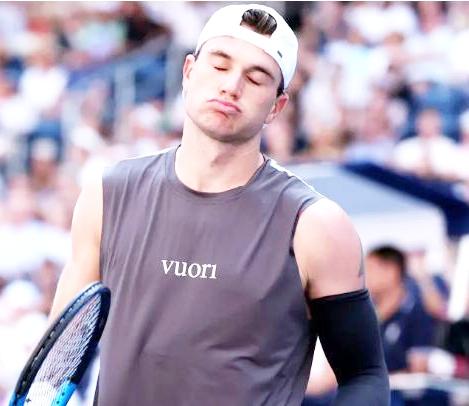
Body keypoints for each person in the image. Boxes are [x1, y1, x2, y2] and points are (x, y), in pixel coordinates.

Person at [49, 4, 389, 405]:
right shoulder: (108, 195)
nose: (232, 86)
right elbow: (56, 363)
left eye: (256, 78)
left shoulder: (315, 225)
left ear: (277, 106)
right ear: (188, 71)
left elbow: (365, 376)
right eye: (220, 65)